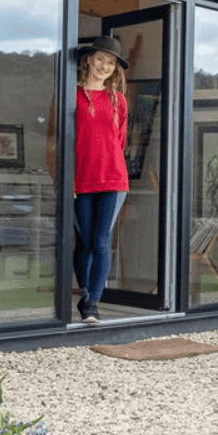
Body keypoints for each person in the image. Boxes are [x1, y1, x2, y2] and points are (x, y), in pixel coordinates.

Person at [73, 36, 129, 323]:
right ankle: (84, 294)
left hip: (113, 179)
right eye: (100, 59)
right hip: (81, 180)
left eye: (111, 62)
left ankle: (92, 303)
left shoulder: (118, 100)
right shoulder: (71, 95)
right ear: (88, 60)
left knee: (101, 241)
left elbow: (120, 141)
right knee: (84, 242)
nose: (105, 66)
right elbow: (59, 140)